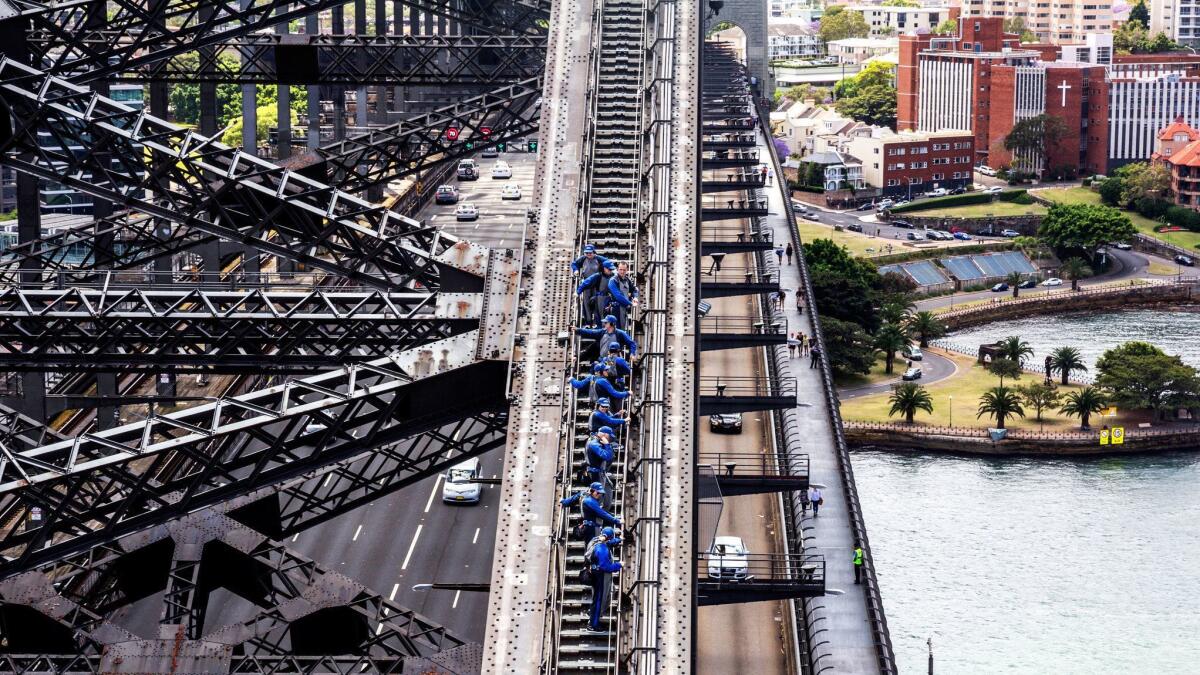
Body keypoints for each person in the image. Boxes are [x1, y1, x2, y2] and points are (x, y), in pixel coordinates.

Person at [586, 528, 622, 633]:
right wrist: (618, 565)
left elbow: (609, 543)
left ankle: (593, 613)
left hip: (595, 573)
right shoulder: (602, 550)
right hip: (600, 576)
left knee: (602, 596)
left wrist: (619, 540)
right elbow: (605, 567)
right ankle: (593, 625)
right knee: (599, 600)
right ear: (608, 537)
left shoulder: (596, 540)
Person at [576, 260, 616, 326]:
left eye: (611, 269)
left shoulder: (614, 276)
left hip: (610, 299)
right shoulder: (598, 276)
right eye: (609, 269)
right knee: (600, 317)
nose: (610, 271)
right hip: (600, 299)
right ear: (604, 268)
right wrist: (578, 292)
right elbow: (586, 282)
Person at [586, 428, 617, 506]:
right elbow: (607, 456)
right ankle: (595, 511)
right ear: (604, 435)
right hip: (596, 473)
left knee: (608, 487)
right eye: (609, 436)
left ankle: (604, 509)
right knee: (598, 495)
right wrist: (607, 444)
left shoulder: (595, 441)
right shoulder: (594, 444)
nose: (610, 438)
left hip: (600, 471)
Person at [606, 262, 640, 330]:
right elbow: (618, 296)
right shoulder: (613, 281)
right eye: (620, 269)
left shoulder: (627, 280)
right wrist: (630, 303)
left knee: (622, 329)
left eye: (624, 270)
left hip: (624, 308)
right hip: (615, 309)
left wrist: (635, 297)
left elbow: (635, 289)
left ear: (627, 270)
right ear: (617, 269)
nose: (622, 271)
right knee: (615, 329)